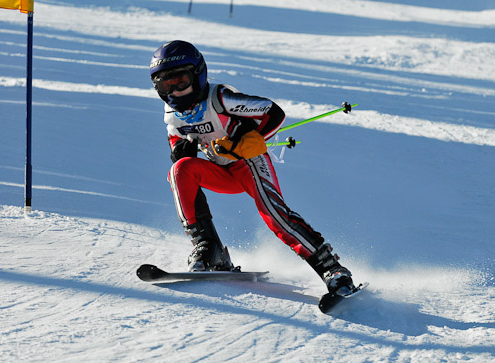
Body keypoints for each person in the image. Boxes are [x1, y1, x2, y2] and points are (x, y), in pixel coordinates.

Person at [150, 40, 355, 295]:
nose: (176, 91)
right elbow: (177, 143)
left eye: (180, 81)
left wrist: (251, 139)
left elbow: (273, 113)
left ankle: (331, 269)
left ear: (197, 74)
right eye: (166, 84)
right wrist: (181, 150)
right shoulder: (171, 113)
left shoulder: (221, 98)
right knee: (179, 170)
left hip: (249, 164)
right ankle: (208, 248)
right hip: (221, 171)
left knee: (274, 215)